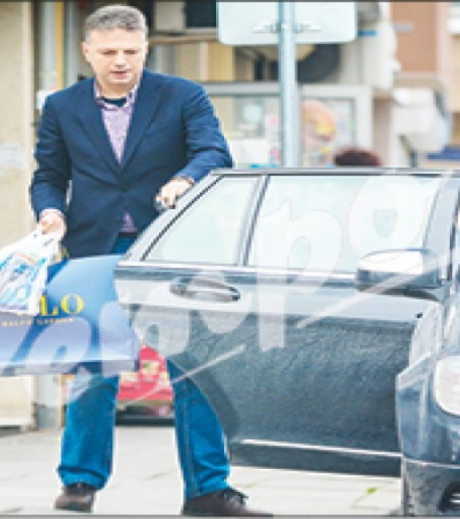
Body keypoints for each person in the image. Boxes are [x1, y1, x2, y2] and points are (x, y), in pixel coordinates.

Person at [29, 5, 270, 517]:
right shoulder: (63, 106)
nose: (120, 61)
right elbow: (48, 175)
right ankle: (79, 482)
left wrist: (184, 179)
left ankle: (208, 490)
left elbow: (213, 152)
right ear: (87, 51)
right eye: (109, 52)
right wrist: (51, 212)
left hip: (174, 248)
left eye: (131, 51)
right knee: (95, 368)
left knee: (195, 369)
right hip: (96, 251)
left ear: (146, 49)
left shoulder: (183, 95)